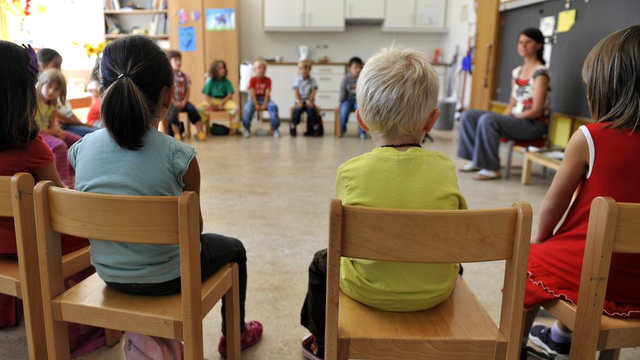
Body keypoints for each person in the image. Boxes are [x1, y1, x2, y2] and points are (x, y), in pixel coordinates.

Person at [68, 36, 263, 357]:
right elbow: (193, 233)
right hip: (169, 278)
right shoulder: (180, 156)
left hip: (109, 275)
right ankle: (235, 336)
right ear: (169, 96)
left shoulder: (80, 149)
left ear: (102, 92)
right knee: (235, 250)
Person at [299, 47, 467, 360]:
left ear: (360, 119)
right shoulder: (445, 167)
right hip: (435, 293)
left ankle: (321, 341)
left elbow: (340, 242)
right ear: (432, 120)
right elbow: (459, 237)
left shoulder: (350, 172)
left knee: (320, 261)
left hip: (367, 290)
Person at [521, 26, 640, 359]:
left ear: (607, 89)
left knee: (530, 258)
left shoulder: (590, 137)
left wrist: (540, 237)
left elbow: (552, 205)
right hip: (636, 282)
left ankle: (517, 346)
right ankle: (560, 335)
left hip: (595, 271)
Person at [0, 40, 101, 356]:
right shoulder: (32, 150)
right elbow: (60, 208)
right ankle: (85, 321)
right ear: (22, 95)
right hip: (29, 248)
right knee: (98, 231)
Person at [457, 28, 550, 180]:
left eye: (528, 42)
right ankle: (476, 160)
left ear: (538, 45)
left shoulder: (541, 73)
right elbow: (512, 103)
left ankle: (492, 168)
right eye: (520, 42)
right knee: (468, 115)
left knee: (488, 119)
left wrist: (509, 120)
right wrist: (504, 119)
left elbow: (537, 110)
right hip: (516, 120)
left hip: (532, 124)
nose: (523, 46)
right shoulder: (517, 72)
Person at [37, 48, 98, 137]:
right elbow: (58, 117)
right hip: (63, 126)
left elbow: (67, 111)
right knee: (94, 135)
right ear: (43, 66)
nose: (59, 69)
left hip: (71, 123)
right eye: (56, 65)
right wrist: (81, 124)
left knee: (99, 132)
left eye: (60, 66)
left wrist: (81, 123)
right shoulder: (42, 92)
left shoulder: (55, 86)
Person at [36, 69, 81, 188]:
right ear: (41, 83)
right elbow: (32, 128)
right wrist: (51, 132)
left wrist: (57, 130)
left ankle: (73, 174)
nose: (51, 91)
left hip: (49, 132)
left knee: (79, 142)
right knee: (59, 145)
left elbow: (52, 121)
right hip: (38, 133)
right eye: (49, 86)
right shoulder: (35, 102)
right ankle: (63, 180)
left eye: (56, 89)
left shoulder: (51, 103)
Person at [166, 50, 207, 141]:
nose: (178, 62)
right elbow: (167, 91)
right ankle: (177, 134)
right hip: (172, 102)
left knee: (192, 109)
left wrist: (184, 101)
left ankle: (200, 131)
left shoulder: (184, 76)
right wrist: (174, 101)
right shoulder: (168, 76)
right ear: (169, 61)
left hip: (183, 101)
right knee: (172, 113)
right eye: (175, 60)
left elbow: (187, 90)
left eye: (180, 59)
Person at [198, 60, 241, 135]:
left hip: (224, 101)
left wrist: (221, 103)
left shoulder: (226, 81)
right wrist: (212, 104)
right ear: (214, 70)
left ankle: (235, 128)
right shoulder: (210, 81)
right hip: (212, 101)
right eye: (220, 68)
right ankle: (201, 129)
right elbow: (206, 95)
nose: (223, 70)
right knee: (199, 109)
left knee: (236, 109)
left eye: (223, 68)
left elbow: (229, 95)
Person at [242, 59, 281, 138]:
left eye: (264, 68)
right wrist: (256, 104)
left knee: (273, 107)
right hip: (254, 99)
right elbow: (252, 93)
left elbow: (267, 93)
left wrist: (265, 104)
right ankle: (247, 128)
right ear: (255, 70)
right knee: (247, 108)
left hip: (265, 99)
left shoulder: (268, 80)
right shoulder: (252, 80)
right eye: (259, 68)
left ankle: (275, 128)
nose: (262, 70)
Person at [338, 56, 365, 139]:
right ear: (349, 68)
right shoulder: (346, 78)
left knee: (360, 111)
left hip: (358, 101)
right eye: (356, 67)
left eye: (360, 67)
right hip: (347, 101)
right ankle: (342, 129)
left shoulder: (363, 78)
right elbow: (342, 90)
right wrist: (340, 102)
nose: (358, 69)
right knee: (344, 111)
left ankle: (362, 131)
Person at [291, 60, 320, 137]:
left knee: (311, 110)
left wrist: (310, 101)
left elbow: (313, 91)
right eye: (301, 68)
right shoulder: (297, 79)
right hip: (299, 100)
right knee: (297, 110)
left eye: (305, 68)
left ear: (309, 69)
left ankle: (315, 127)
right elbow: (296, 91)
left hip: (308, 100)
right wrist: (298, 101)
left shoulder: (312, 80)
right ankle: (293, 126)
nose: (303, 70)